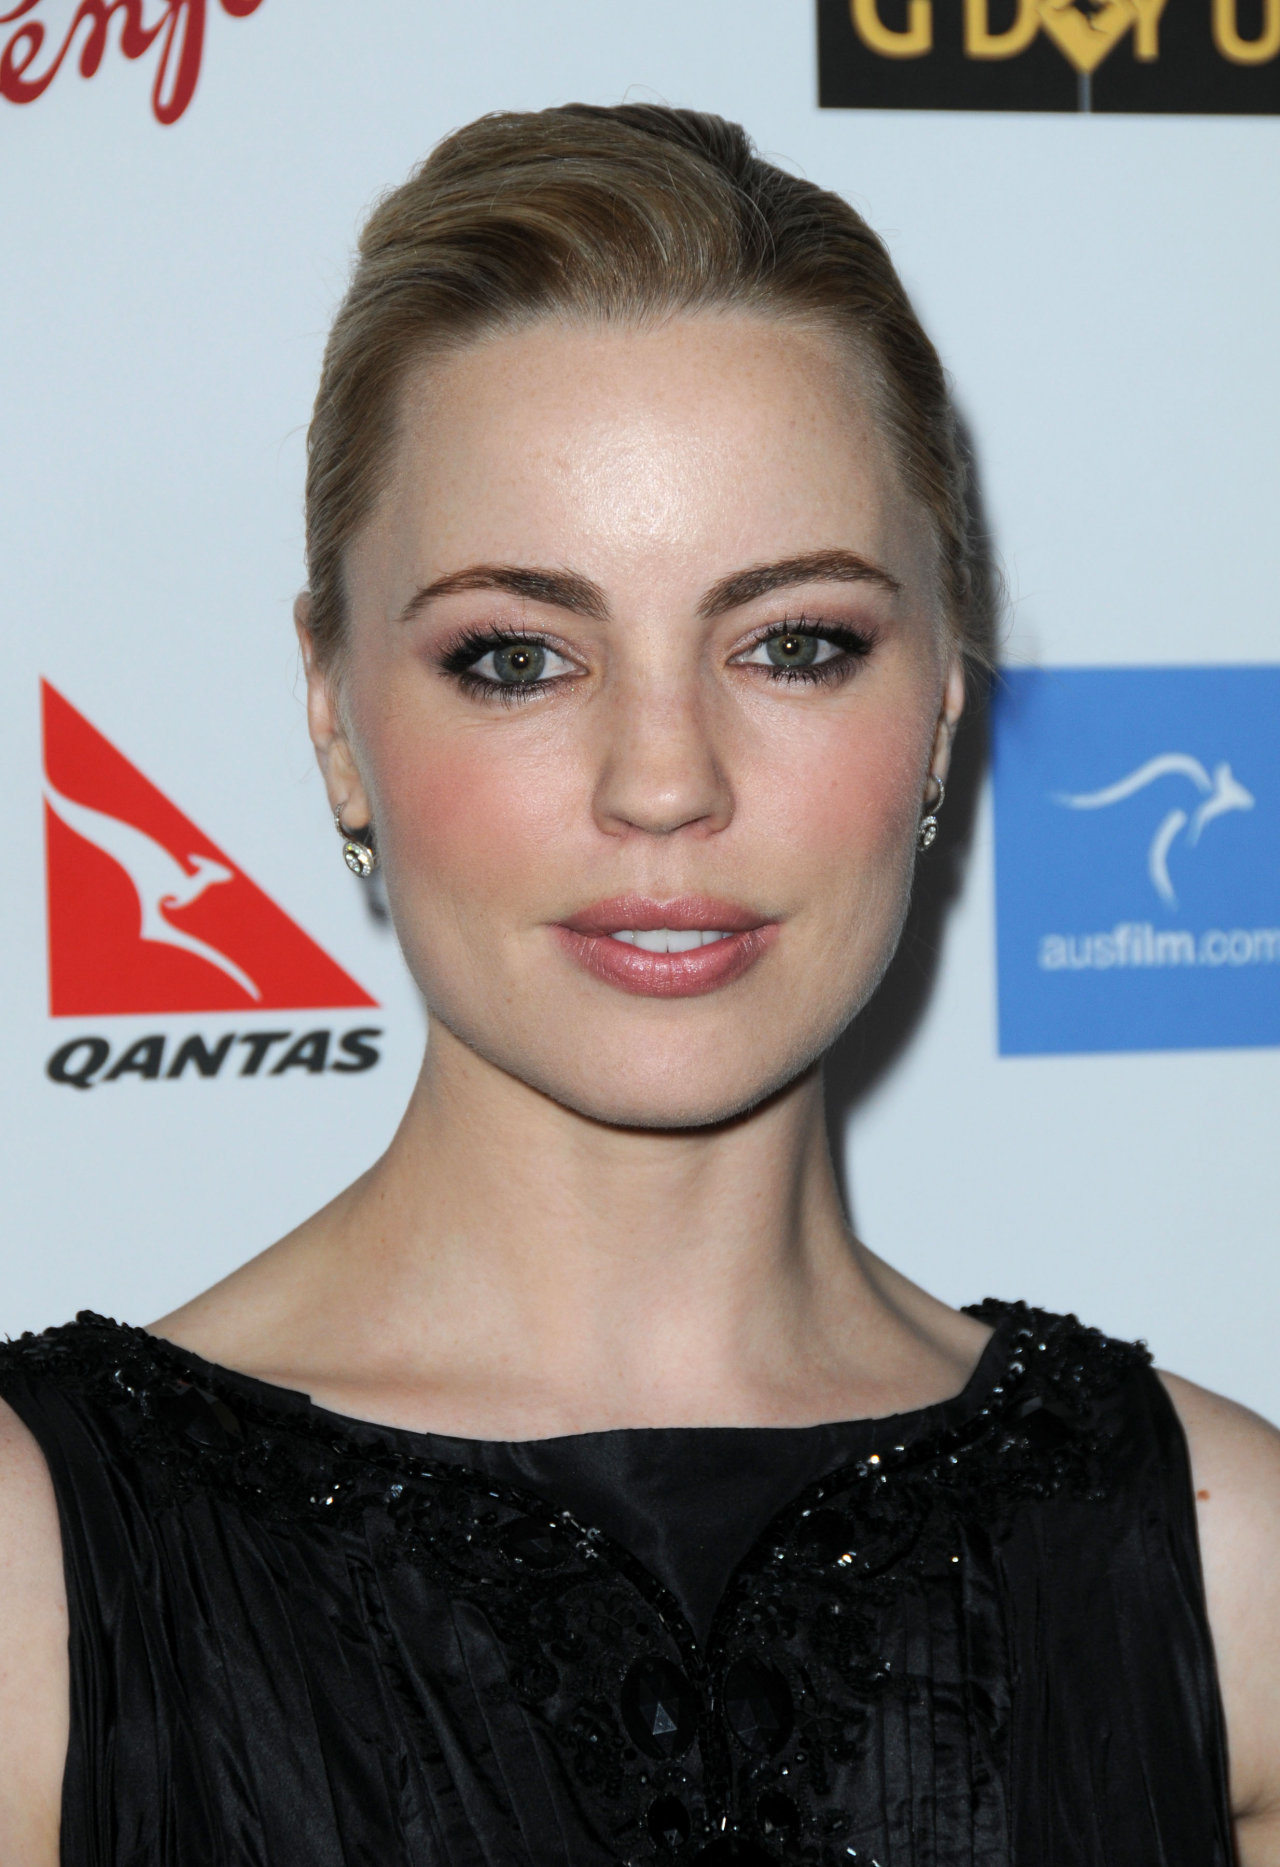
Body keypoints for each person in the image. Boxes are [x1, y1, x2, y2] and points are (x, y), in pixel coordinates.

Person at [1, 103, 1277, 1867]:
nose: (664, 781)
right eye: (517, 657)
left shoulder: (1224, 1571)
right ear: (335, 718)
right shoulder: (33, 1583)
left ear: (942, 709)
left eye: (795, 643)